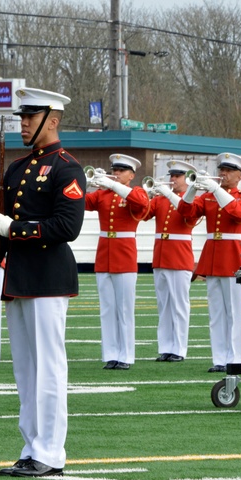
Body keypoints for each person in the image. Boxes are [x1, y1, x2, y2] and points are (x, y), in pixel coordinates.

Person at [0, 87, 85, 478]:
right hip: (20, 276)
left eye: (31, 116)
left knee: (48, 367)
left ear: (52, 120)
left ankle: (50, 452)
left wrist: (16, 228)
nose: (23, 123)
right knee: (26, 370)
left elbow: (67, 227)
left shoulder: (65, 167)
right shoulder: (17, 167)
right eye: (22, 116)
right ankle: (31, 446)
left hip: (48, 276)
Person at [177, 152, 241, 373]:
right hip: (213, 255)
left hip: (233, 256)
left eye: (229, 171)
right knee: (217, 313)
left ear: (239, 175)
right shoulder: (209, 196)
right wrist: (193, 188)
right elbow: (185, 211)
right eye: (221, 169)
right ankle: (219, 358)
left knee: (235, 313)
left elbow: (239, 213)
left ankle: (236, 358)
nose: (223, 174)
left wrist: (216, 189)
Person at [85, 153, 150, 370]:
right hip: (104, 255)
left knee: (124, 309)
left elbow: (141, 202)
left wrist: (113, 186)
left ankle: (126, 355)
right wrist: (85, 182)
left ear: (131, 175)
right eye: (115, 170)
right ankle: (111, 354)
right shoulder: (103, 194)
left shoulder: (136, 191)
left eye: (121, 171)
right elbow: (80, 201)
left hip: (124, 256)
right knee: (107, 309)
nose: (116, 174)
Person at [143, 159, 201, 363]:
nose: (173, 179)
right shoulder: (160, 200)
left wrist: (166, 194)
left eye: (177, 176)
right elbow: (143, 215)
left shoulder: (190, 201)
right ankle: (166, 347)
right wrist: (146, 194)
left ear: (187, 179)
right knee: (164, 305)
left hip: (179, 257)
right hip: (161, 256)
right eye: (172, 176)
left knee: (179, 305)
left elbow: (190, 216)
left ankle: (179, 348)